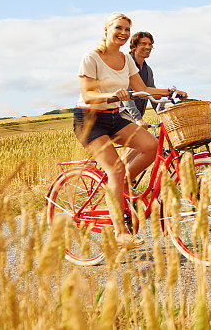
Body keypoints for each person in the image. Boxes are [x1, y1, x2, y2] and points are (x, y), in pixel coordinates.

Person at [74, 13, 186, 248]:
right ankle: (119, 232)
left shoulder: (127, 60)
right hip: (90, 120)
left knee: (152, 146)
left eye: (127, 29)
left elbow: (143, 89)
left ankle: (124, 184)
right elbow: (88, 95)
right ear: (106, 29)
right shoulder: (92, 57)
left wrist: (170, 92)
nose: (123, 33)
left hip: (114, 117)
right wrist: (111, 95)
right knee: (114, 169)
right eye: (118, 28)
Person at [120, 31, 157, 127]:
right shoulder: (126, 65)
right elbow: (126, 95)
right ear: (134, 46)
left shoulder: (148, 70)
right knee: (147, 140)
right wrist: (138, 118)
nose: (148, 47)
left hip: (138, 114)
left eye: (150, 44)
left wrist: (163, 114)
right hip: (122, 113)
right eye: (143, 44)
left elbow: (153, 94)